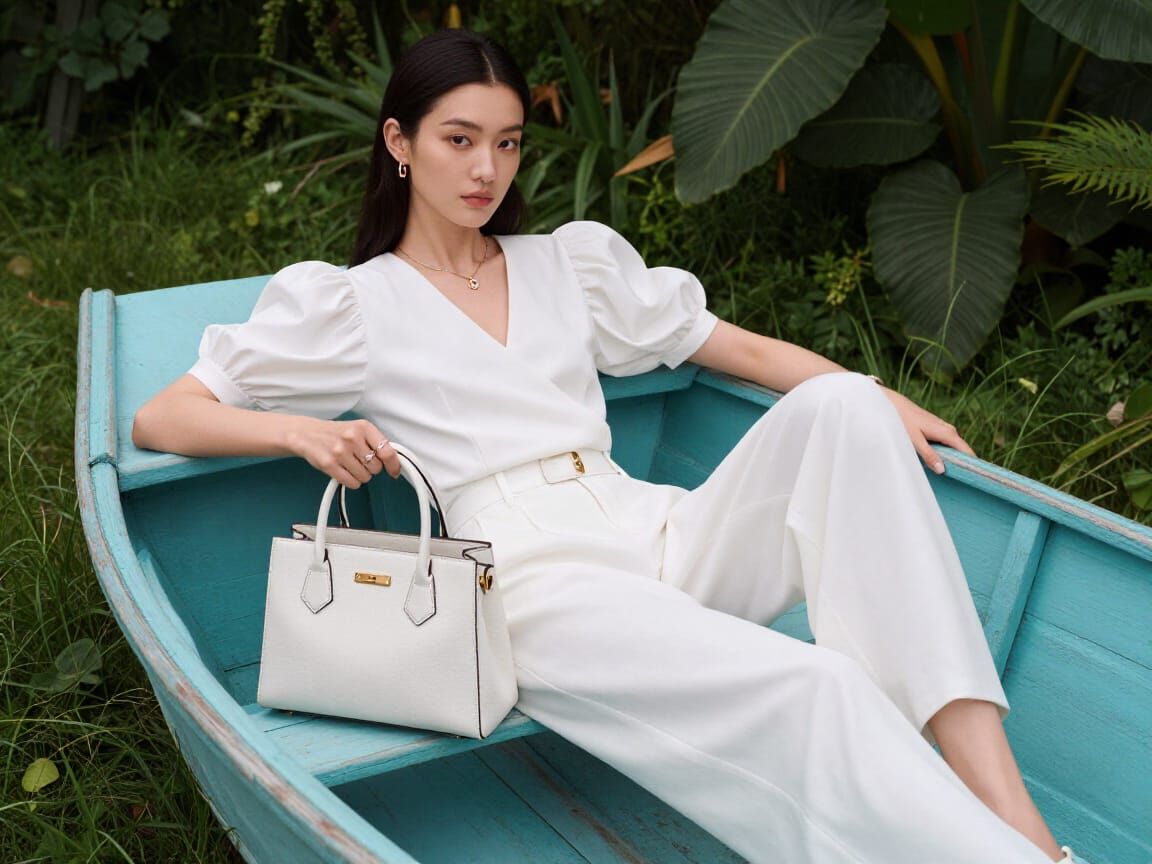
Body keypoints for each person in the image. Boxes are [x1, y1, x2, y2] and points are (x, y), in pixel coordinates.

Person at [132, 28, 1090, 864]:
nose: (484, 171)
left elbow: (738, 347)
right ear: (400, 144)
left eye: (505, 144)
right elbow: (165, 416)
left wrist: (880, 395)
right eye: (458, 140)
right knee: (815, 681)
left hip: (649, 528)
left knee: (844, 409)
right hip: (530, 582)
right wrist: (301, 430)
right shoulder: (351, 303)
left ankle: (1018, 822)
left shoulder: (569, 265)